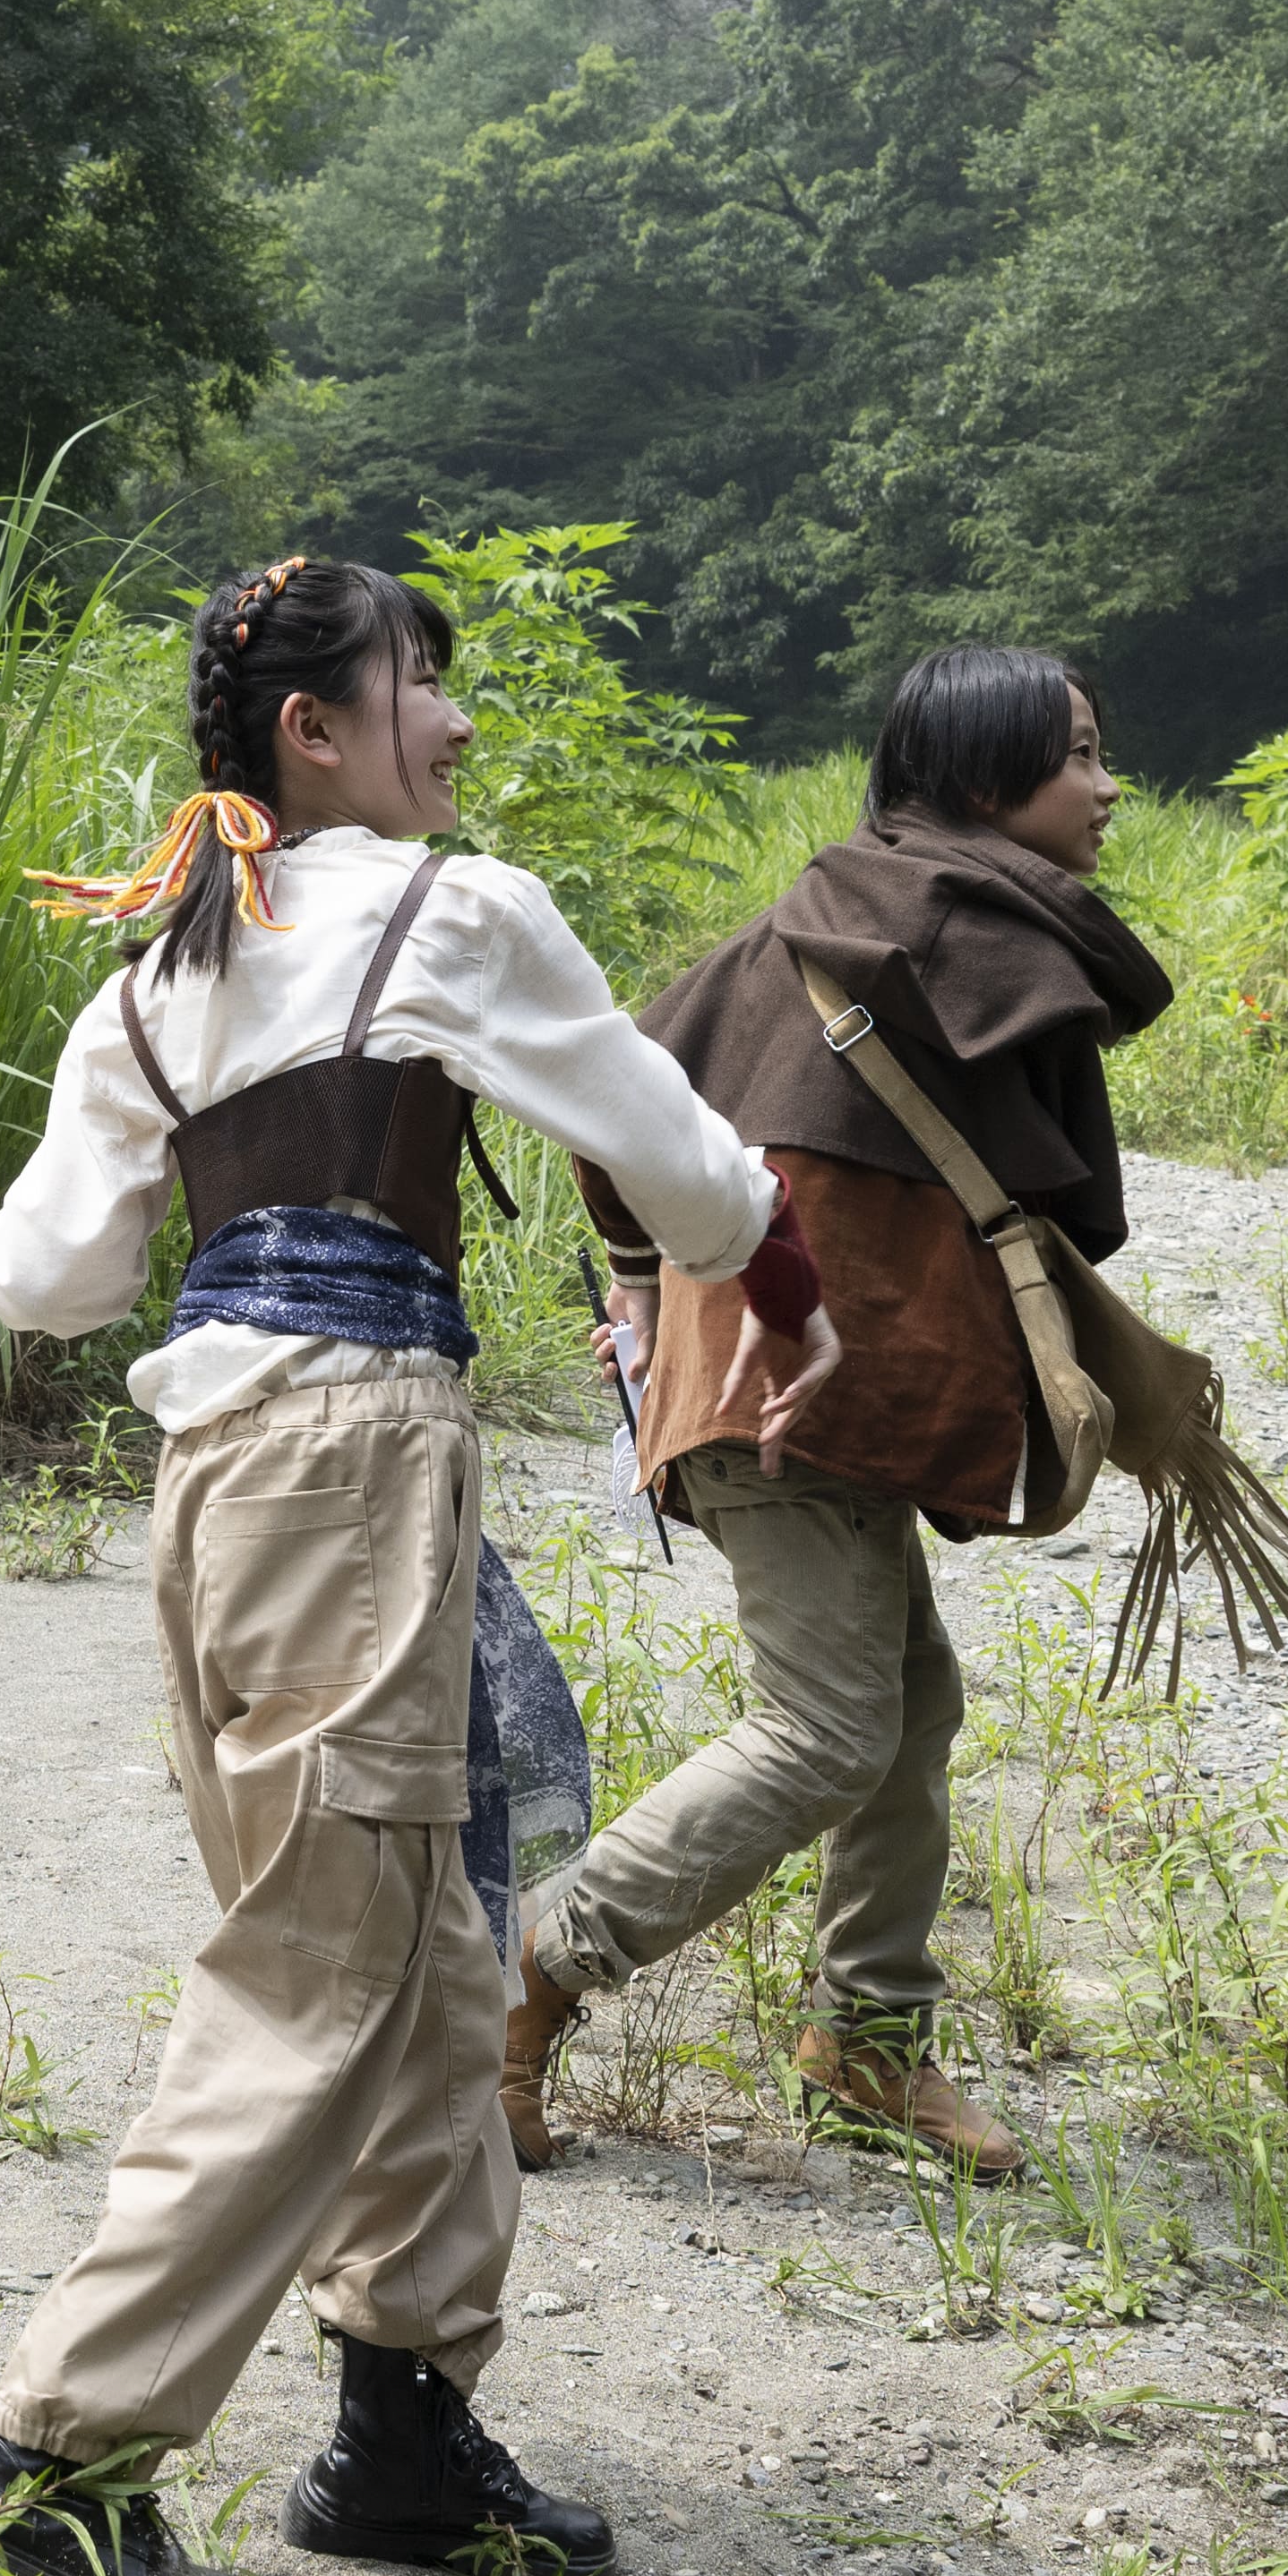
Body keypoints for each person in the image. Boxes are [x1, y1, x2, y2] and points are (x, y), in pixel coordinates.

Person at [0, 557, 822, 2576]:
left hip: (216, 1479)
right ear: (314, 732)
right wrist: (780, 1285)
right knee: (322, 1973)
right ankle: (41, 2491)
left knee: (425, 1954)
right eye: (421, 681)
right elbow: (693, 1178)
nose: (455, 719)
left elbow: (39, 1282)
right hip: (351, 1458)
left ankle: (401, 2430)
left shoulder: (155, 975)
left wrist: (220, 1175)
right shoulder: (456, 911)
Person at [535, 643, 1163, 2181]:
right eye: (1078, 753)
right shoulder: (957, 930)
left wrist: (638, 1281)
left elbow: (616, 1092)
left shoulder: (833, 911)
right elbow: (611, 1098)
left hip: (806, 1387)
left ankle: (868, 2041)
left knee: (910, 1705)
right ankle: (524, 1972)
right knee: (824, 1729)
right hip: (791, 1393)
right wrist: (642, 1287)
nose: (1106, 786)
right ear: (983, 776)